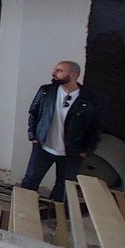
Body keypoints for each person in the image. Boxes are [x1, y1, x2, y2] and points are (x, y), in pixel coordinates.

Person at [20, 60, 101, 203]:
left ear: (73, 74)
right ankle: (23, 209)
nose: (54, 73)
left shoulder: (89, 99)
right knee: (30, 181)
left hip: (71, 152)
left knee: (63, 189)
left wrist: (87, 149)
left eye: (59, 71)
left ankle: (55, 213)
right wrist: (32, 135)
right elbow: (34, 113)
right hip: (43, 147)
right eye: (55, 70)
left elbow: (95, 126)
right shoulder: (46, 91)